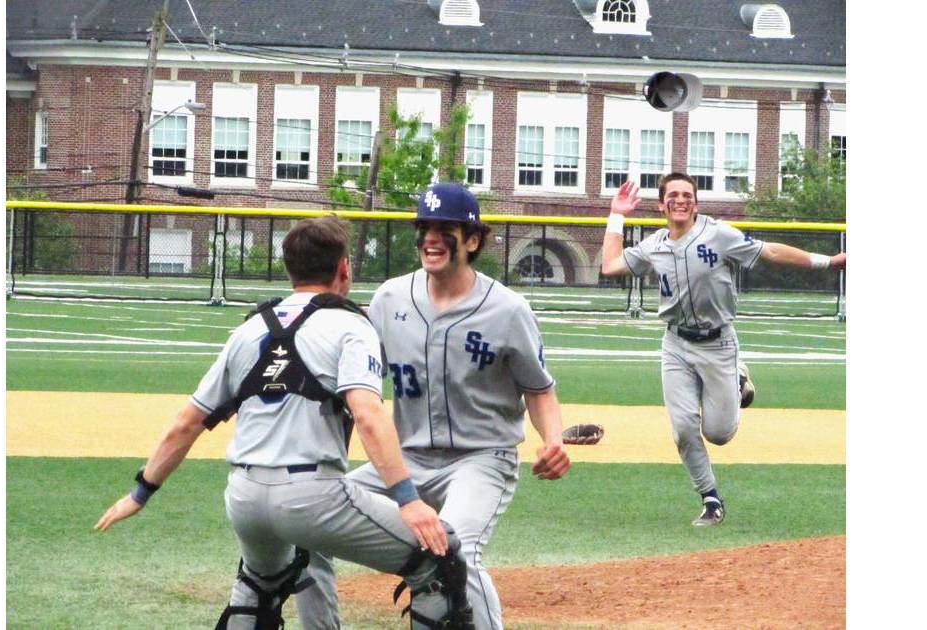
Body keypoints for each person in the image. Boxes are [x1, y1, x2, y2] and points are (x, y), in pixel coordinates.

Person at [94, 215, 475, 630]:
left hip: (244, 497)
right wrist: (409, 501)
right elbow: (367, 414)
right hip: (313, 497)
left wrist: (140, 493)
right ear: (343, 268)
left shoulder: (249, 329)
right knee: (440, 560)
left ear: (289, 268)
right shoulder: (351, 325)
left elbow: (186, 422)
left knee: (260, 584)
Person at [298, 182, 571, 630]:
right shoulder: (390, 299)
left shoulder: (507, 309)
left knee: (453, 550)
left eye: (445, 229)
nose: (430, 238)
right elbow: (357, 382)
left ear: (472, 239)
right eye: (425, 227)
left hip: (480, 459)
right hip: (406, 460)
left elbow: (538, 389)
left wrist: (554, 440)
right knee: (308, 526)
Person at [600, 174, 845, 526]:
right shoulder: (655, 244)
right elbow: (609, 266)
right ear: (661, 204)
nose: (680, 200)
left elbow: (770, 252)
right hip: (676, 344)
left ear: (696, 203)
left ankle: (737, 379)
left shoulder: (719, 234)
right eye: (673, 195)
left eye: (687, 195)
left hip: (719, 344)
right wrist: (617, 215)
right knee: (683, 428)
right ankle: (711, 499)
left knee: (718, 434)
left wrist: (828, 262)